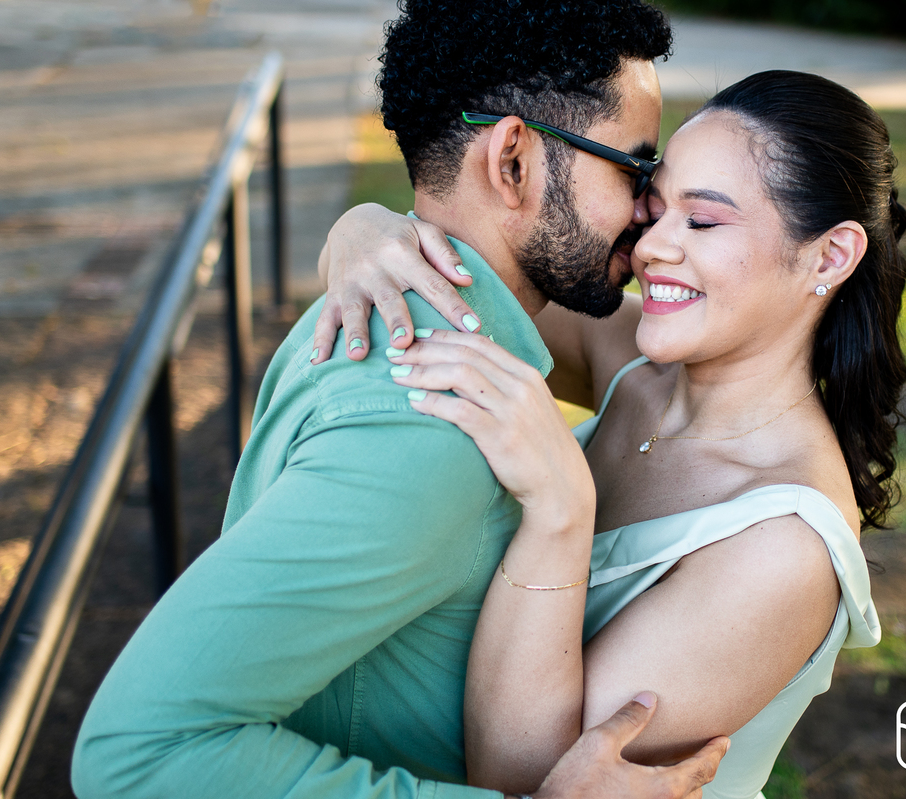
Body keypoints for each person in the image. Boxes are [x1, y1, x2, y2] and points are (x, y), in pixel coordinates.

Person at [71, 2, 728, 798]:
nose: (651, 210)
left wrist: (359, 224)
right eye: (635, 169)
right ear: (513, 160)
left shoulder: (413, 317)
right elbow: (138, 752)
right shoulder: (425, 424)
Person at [315, 69, 904, 797]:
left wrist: (561, 510)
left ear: (831, 255)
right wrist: (365, 230)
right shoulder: (634, 362)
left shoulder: (783, 546)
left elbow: (518, 774)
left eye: (703, 220)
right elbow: (465, 277)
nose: (652, 247)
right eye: (654, 210)